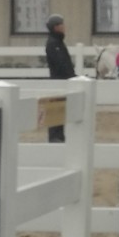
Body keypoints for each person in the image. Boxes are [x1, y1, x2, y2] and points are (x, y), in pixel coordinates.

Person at [44, 13, 75, 142]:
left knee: (60, 110)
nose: (64, 26)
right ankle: (55, 138)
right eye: (61, 24)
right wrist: (72, 77)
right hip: (58, 81)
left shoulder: (58, 42)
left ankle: (58, 137)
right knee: (56, 110)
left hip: (62, 81)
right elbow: (61, 63)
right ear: (56, 27)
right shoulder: (53, 43)